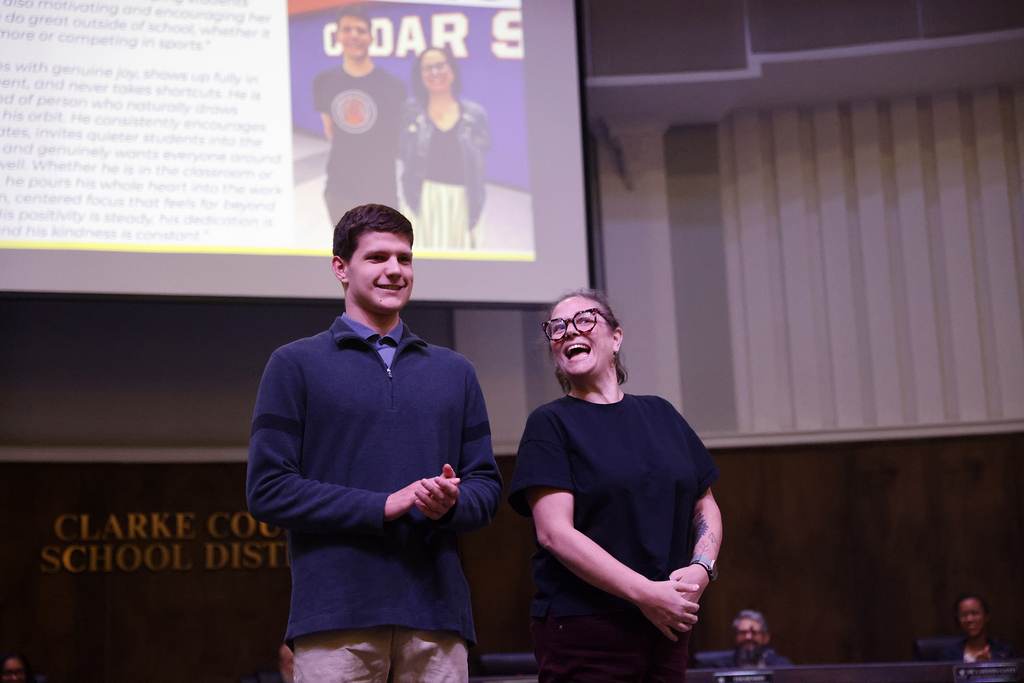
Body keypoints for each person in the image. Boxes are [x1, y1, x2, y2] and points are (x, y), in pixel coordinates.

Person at [247, 203, 503, 683]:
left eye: (404, 259)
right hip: (335, 614)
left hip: (438, 614)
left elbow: (486, 487)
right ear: (341, 268)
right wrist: (384, 505)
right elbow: (268, 489)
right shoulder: (294, 364)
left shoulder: (454, 371)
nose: (394, 270)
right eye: (378, 257)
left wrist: (450, 502)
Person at [508, 288, 723, 683]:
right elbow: (554, 533)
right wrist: (645, 594)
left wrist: (702, 567)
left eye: (584, 320)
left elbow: (704, 503)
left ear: (616, 338)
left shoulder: (660, 413)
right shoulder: (550, 424)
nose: (569, 331)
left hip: (666, 626)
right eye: (557, 328)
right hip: (586, 628)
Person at [313, 5, 407, 224]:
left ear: (371, 37)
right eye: (347, 29)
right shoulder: (324, 82)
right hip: (339, 188)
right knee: (348, 256)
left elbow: (396, 137)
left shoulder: (394, 86)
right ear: (337, 36)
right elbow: (331, 132)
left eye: (360, 30)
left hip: (382, 191)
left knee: (382, 255)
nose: (354, 35)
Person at [399, 45, 490, 250]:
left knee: (460, 270)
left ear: (453, 70)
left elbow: (479, 165)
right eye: (427, 68)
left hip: (463, 204)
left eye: (440, 65)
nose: (435, 72)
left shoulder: (475, 116)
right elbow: (403, 154)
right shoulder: (410, 112)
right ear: (419, 74)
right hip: (420, 200)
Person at [939, 594, 1015, 662]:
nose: (969, 619)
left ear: (986, 617)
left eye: (975, 613)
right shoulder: (948, 654)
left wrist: (989, 665)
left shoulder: (1005, 651)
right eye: (964, 615)